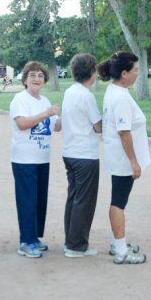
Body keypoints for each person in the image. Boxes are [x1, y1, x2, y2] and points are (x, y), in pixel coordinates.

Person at [99, 51, 150, 265]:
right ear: (124, 73)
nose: (138, 73)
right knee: (119, 202)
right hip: (122, 160)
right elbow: (124, 131)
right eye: (135, 70)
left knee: (119, 200)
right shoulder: (119, 97)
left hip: (118, 156)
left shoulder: (117, 91)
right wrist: (133, 161)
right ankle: (120, 249)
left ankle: (117, 242)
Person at [9, 61, 61, 258]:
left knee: (40, 199)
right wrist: (46, 114)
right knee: (27, 200)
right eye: (32, 75)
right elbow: (22, 123)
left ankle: (35, 237)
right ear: (24, 80)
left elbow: (56, 126)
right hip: (24, 158)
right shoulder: (19, 100)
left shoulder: (45, 101)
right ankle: (26, 241)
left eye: (40, 75)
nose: (37, 78)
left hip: (42, 158)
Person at [60, 53, 102, 258]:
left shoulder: (70, 91)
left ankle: (71, 240)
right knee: (84, 201)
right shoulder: (86, 96)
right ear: (91, 72)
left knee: (74, 198)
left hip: (70, 151)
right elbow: (98, 126)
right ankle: (76, 245)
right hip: (85, 154)